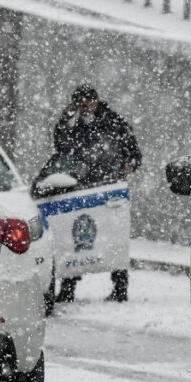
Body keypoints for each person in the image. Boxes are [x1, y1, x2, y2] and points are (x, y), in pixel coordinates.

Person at [52, 85, 141, 304]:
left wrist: (128, 164)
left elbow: (134, 154)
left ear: (96, 102)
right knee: (76, 237)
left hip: (109, 191)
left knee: (113, 239)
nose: (84, 109)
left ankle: (120, 288)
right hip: (80, 189)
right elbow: (60, 147)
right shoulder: (73, 125)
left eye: (87, 104)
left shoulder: (114, 122)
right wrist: (65, 120)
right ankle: (68, 288)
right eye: (79, 106)